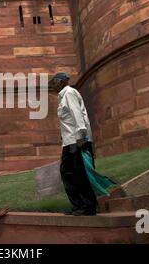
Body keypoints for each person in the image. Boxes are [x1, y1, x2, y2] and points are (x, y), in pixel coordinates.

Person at [49, 72, 98, 216]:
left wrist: (81, 137)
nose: (51, 85)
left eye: (53, 81)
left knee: (80, 173)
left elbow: (77, 115)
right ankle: (78, 206)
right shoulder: (63, 96)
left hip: (77, 141)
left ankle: (88, 207)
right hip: (69, 142)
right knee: (68, 172)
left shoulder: (69, 93)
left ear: (61, 81)